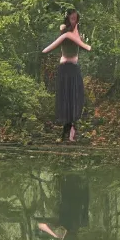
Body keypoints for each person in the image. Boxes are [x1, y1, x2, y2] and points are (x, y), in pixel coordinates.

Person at [42, 9, 91, 142]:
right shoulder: (67, 33)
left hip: (74, 68)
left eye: (76, 18)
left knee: (75, 96)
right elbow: (50, 47)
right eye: (71, 18)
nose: (74, 21)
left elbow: (82, 43)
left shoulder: (76, 32)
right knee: (65, 97)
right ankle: (66, 128)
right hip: (64, 68)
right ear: (68, 19)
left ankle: (73, 127)